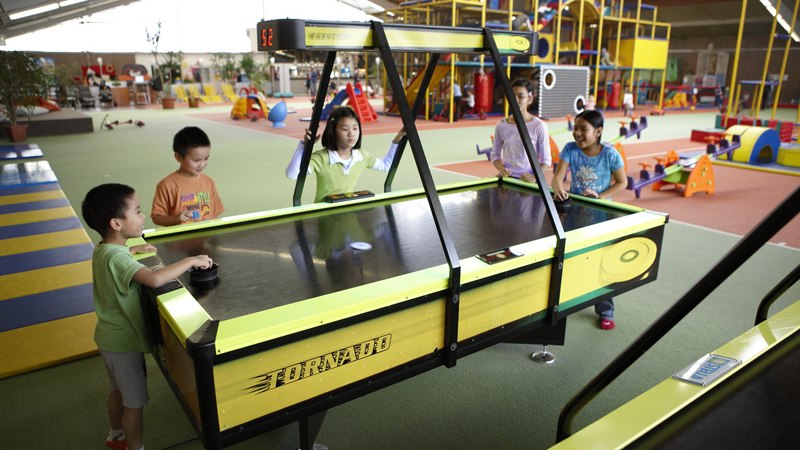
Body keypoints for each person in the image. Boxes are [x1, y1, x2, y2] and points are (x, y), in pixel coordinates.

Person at [81, 183, 213, 450]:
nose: (143, 217)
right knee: (134, 403)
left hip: (109, 339)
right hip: (124, 345)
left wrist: (132, 251)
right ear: (117, 223)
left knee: (117, 391)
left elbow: (116, 259)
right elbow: (153, 279)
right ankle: (135, 447)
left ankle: (115, 435)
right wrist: (191, 261)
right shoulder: (118, 259)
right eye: (138, 211)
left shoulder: (105, 250)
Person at [551, 110, 626, 330]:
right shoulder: (570, 149)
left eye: (583, 129)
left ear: (598, 131)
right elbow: (557, 177)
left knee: (601, 264)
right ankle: (567, 301)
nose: (577, 133)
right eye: (575, 128)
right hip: (575, 216)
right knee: (571, 260)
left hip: (602, 219)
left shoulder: (610, 154)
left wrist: (599, 197)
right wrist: (558, 189)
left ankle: (606, 310)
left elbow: (622, 182)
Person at [285, 106, 405, 203]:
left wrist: (396, 141)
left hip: (347, 210)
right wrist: (304, 146)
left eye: (355, 128)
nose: (351, 134)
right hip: (323, 214)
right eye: (344, 129)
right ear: (333, 131)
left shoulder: (361, 155)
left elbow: (387, 166)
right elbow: (292, 174)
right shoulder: (322, 158)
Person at [151, 126, 224, 226]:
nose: (202, 164)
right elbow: (157, 218)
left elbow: (214, 214)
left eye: (206, 158)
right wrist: (176, 219)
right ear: (178, 157)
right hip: (180, 240)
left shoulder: (208, 181)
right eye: (196, 160)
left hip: (206, 238)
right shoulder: (166, 185)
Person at [490, 78, 551, 183]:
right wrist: (501, 168)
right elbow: (495, 154)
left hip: (528, 182)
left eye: (521, 96)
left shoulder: (539, 126)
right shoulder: (501, 125)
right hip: (508, 180)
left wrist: (534, 177)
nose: (515, 100)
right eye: (512, 96)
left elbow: (546, 160)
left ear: (530, 99)